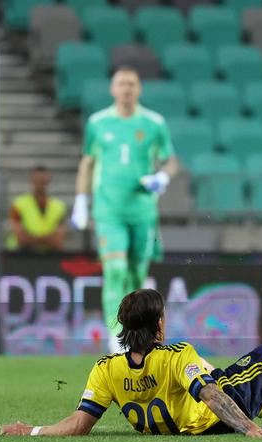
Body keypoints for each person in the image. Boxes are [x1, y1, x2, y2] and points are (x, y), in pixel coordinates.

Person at [0, 289, 262, 438]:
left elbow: (79, 424)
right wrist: (250, 429)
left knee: (224, 376)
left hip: (188, 420)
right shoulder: (177, 355)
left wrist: (31, 430)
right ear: (158, 323)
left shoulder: (105, 368)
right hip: (211, 420)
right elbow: (213, 395)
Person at [70, 67, 178, 353]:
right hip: (109, 210)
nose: (126, 89)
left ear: (139, 89)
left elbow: (170, 161)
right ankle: (115, 335)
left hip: (142, 211)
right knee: (115, 270)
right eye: (121, 84)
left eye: (132, 83)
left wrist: (162, 177)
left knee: (136, 278)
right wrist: (81, 201)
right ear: (112, 89)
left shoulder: (154, 123)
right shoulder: (98, 123)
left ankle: (135, 334)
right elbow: (88, 163)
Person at [7, 165, 67, 252]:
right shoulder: (18, 204)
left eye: (43, 181)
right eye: (37, 180)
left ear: (48, 181)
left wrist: (31, 239)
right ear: (31, 181)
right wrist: (48, 240)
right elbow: (20, 239)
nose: (40, 184)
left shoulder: (59, 206)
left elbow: (58, 241)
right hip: (21, 257)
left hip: (50, 257)